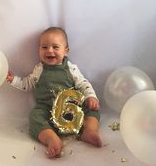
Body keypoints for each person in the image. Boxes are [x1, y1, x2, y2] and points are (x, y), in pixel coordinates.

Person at [6, 27, 102, 158]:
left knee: (92, 108)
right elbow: (27, 84)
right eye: (44, 47)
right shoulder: (39, 69)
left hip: (72, 108)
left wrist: (91, 97)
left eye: (55, 47)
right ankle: (52, 138)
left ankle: (89, 130)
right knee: (35, 117)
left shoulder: (71, 68)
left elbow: (83, 83)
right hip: (47, 109)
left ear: (66, 51)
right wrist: (14, 80)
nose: (49, 50)